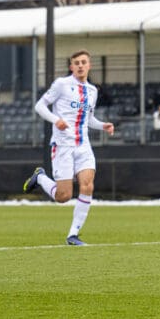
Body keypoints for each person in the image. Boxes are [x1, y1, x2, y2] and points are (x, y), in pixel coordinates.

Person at [22, 49, 114, 246]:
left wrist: (102, 125)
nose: (80, 65)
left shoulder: (93, 91)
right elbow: (40, 106)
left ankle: (73, 235)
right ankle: (40, 177)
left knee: (88, 184)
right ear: (71, 66)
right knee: (63, 196)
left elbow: (89, 119)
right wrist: (57, 120)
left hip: (83, 145)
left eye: (84, 62)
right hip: (63, 145)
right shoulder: (61, 84)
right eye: (76, 63)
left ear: (89, 65)